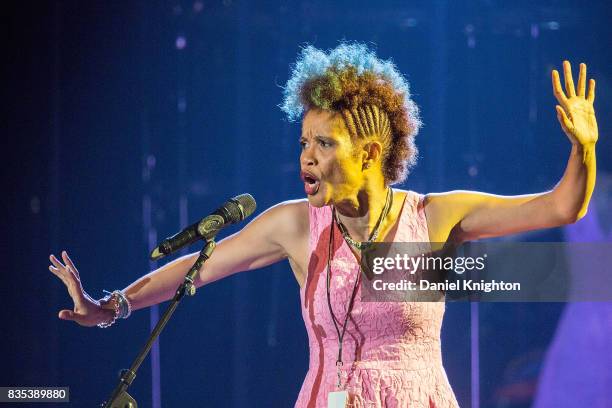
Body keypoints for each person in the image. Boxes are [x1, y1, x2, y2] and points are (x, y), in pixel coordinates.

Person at [49, 43, 598, 407]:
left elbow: (560, 207)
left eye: (324, 144)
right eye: (303, 143)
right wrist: (110, 306)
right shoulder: (295, 224)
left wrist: (584, 150)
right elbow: (197, 268)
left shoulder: (433, 215)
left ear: (370, 153)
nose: (306, 158)